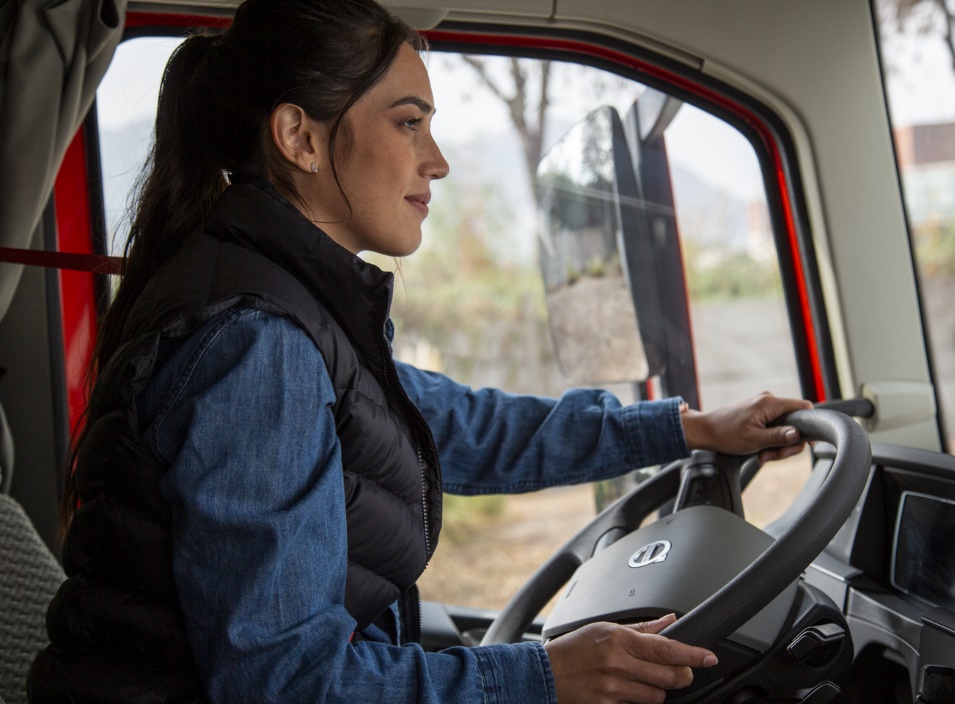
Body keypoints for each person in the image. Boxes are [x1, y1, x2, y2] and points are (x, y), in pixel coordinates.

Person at [27, 1, 811, 702]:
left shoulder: (285, 304)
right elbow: (286, 684)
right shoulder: (258, 343)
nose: (438, 160)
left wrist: (686, 428)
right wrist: (546, 676)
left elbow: (458, 424)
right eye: (409, 123)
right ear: (300, 137)